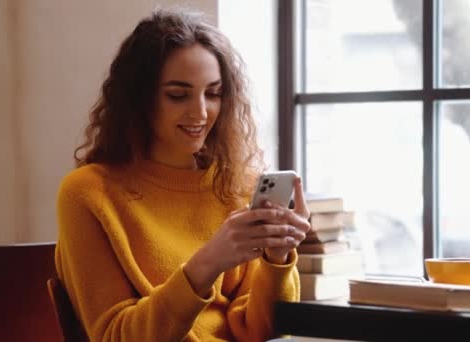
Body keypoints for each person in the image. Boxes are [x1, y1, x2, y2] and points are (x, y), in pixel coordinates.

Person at [55, 8, 311, 342]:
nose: (201, 112)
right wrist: (209, 262)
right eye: (178, 95)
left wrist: (277, 260)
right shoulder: (89, 193)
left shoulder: (237, 186)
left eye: (213, 93)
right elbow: (115, 336)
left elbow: (260, 333)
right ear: (139, 99)